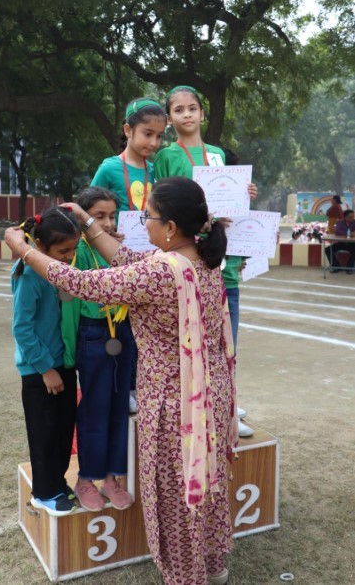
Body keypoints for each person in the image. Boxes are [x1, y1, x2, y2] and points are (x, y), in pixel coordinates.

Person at [5, 176, 238, 585]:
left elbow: (81, 283)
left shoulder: (160, 272)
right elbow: (129, 261)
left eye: (149, 217)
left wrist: (25, 251)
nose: (143, 224)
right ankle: (213, 563)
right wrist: (88, 224)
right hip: (210, 395)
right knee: (206, 483)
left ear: (170, 227)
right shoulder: (201, 257)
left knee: (175, 500)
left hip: (174, 407)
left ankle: (187, 577)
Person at [154, 86, 256, 437]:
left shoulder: (217, 154)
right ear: (170, 119)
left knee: (227, 344)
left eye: (192, 108)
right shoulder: (167, 155)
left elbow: (232, 210)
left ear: (202, 113)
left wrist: (244, 193)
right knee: (191, 344)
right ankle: (197, 408)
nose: (187, 114)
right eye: (179, 110)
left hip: (221, 260)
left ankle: (229, 408)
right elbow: (162, 203)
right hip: (186, 260)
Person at [62, 186, 136, 512]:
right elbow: (68, 307)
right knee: (94, 409)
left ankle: (110, 477)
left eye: (111, 215)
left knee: (119, 408)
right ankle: (85, 479)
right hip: (93, 335)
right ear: (83, 218)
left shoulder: (118, 249)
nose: (107, 223)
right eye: (98, 216)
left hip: (123, 332)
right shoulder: (77, 251)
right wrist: (68, 354)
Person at [91, 97, 167, 413]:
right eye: (147, 134)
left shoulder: (156, 170)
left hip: (147, 262)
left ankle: (139, 386)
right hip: (115, 262)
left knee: (144, 327)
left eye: (159, 136)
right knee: (120, 329)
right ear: (128, 130)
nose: (154, 142)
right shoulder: (109, 168)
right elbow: (89, 207)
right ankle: (124, 388)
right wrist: (106, 229)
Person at [11, 207, 81, 517]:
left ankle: (57, 482)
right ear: (40, 246)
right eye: (63, 251)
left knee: (63, 431)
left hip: (62, 364)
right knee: (44, 433)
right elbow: (22, 328)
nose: (69, 257)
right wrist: (45, 369)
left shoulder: (58, 271)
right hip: (40, 372)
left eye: (73, 249)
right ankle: (43, 492)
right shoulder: (29, 275)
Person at [325, 209, 355, 273]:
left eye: (353, 217)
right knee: (327, 249)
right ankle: (336, 266)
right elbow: (337, 232)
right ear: (345, 217)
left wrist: (345, 233)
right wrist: (349, 233)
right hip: (341, 243)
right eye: (350, 217)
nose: (352, 218)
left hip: (352, 243)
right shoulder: (340, 223)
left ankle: (349, 268)